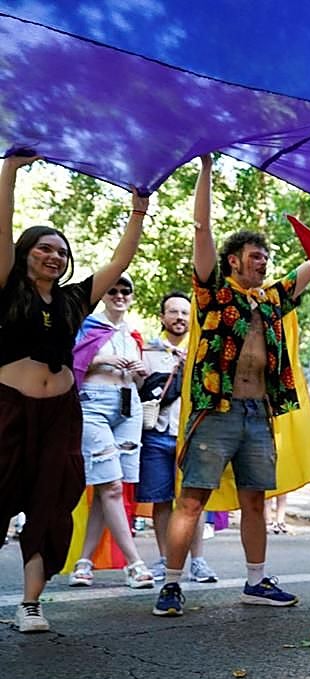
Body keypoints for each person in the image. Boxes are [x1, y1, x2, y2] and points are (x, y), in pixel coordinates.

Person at [152, 152, 310, 617]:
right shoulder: (214, 293)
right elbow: (201, 231)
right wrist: (206, 170)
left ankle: (255, 581)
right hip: (216, 411)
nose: (263, 263)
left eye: (266, 258)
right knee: (192, 498)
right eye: (256, 257)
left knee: (255, 501)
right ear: (234, 261)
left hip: (257, 415)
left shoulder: (271, 300)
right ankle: (170, 584)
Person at [0, 152, 149, 632]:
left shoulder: (73, 300)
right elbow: (1, 231)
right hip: (9, 411)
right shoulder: (7, 287)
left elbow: (121, 260)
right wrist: (9, 172)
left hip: (61, 415)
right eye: (44, 248)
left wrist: (139, 209)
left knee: (51, 502)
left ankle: (30, 604)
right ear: (26, 252)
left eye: (61, 252)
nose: (54, 256)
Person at [68, 275, 155, 588]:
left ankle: (84, 562)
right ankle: (135, 563)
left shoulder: (133, 334)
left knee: (110, 486)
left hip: (129, 407)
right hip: (94, 405)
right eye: (113, 290)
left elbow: (142, 382)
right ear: (103, 296)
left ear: (131, 296)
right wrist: (102, 358)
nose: (119, 295)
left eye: (125, 291)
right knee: (112, 486)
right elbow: (71, 362)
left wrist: (143, 371)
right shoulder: (87, 326)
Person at [137, 291, 212, 583]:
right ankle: (165, 559)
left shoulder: (204, 350)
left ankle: (198, 562)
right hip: (156, 435)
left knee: (194, 500)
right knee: (161, 499)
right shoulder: (146, 352)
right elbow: (137, 391)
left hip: (193, 435)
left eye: (184, 312)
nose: (179, 317)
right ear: (162, 317)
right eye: (173, 312)